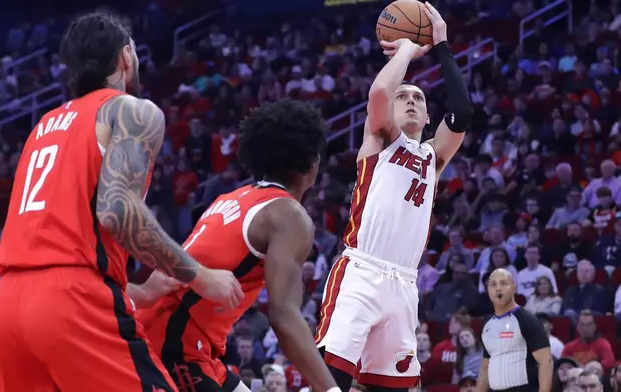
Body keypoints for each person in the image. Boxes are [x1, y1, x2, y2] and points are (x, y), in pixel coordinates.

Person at [0, 12, 243, 392]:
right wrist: (201, 276)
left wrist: (140, 292)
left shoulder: (42, 128)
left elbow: (53, 248)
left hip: (8, 308)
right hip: (72, 302)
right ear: (126, 56)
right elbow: (116, 210)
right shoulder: (130, 110)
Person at [315, 3, 472, 391]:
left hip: (404, 284)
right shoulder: (380, 140)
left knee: (393, 387)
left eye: (419, 98)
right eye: (405, 97)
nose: (412, 102)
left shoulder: (434, 157)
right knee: (330, 380)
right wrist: (406, 48)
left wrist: (442, 46)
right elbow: (379, 92)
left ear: (427, 113)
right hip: (361, 272)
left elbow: (463, 113)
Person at [137, 99, 340, 392]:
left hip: (185, 340)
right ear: (312, 163)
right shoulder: (288, 215)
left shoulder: (231, 199)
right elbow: (283, 314)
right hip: (172, 345)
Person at [477, 269, 553, 392]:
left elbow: (546, 362)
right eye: (493, 284)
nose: (498, 289)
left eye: (503, 283)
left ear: (513, 288)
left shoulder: (528, 320)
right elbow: (485, 366)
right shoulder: (488, 324)